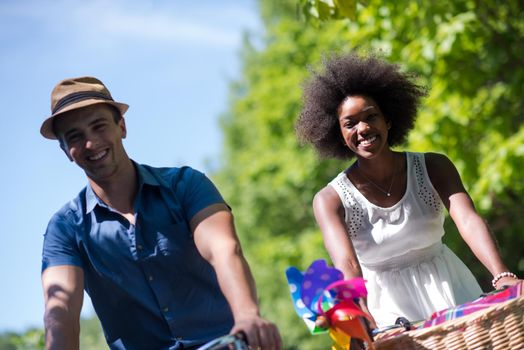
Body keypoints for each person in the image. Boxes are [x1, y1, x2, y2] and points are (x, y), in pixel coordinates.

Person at [40, 76, 282, 350]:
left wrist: (248, 316)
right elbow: (61, 309)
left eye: (99, 126)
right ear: (65, 150)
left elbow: (224, 250)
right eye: (75, 136)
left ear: (122, 126)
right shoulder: (65, 228)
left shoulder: (186, 186)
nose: (90, 142)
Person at [295, 53, 520, 328]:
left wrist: (502, 275)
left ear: (388, 119)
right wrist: (360, 313)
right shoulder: (329, 200)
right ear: (338, 134)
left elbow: (468, 220)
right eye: (350, 123)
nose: (363, 128)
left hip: (452, 289)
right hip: (387, 311)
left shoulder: (434, 166)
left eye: (371, 116)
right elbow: (346, 262)